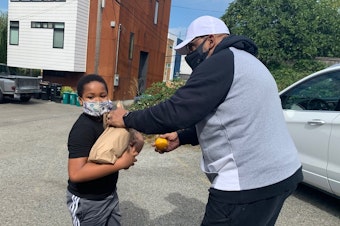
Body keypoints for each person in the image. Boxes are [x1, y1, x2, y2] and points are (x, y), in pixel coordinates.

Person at [107, 15, 303, 226]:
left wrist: (127, 118)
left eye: (192, 47)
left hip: (247, 183)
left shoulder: (221, 61)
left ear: (211, 40)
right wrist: (182, 137)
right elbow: (229, 117)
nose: (190, 56)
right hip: (282, 175)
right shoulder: (249, 62)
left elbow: (176, 111)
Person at [66, 74, 144, 226]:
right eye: (91, 97)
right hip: (87, 201)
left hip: (109, 195)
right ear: (81, 100)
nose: (99, 101)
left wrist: (135, 136)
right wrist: (121, 163)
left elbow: (127, 143)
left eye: (103, 95)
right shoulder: (82, 129)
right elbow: (76, 174)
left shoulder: (110, 120)